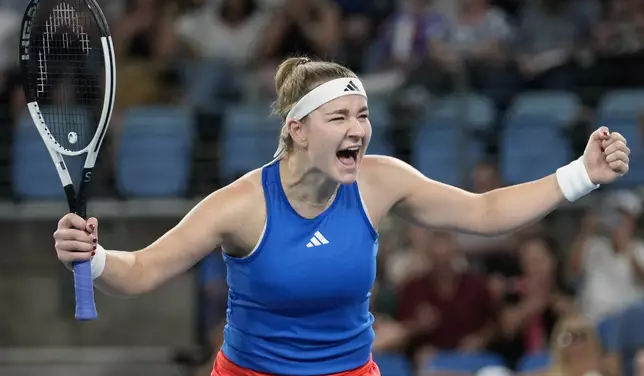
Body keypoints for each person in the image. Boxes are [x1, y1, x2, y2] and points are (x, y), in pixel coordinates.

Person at [53, 57, 631, 376]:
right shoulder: (241, 205)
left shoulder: (381, 181)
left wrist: (579, 175)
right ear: (296, 129)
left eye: (363, 114)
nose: (358, 128)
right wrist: (95, 257)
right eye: (340, 118)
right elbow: (144, 271)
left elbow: (485, 211)